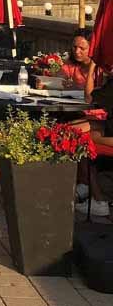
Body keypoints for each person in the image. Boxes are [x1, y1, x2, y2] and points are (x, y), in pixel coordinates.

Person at [62, 29, 112, 216]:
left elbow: (90, 98)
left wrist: (92, 67)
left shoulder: (105, 75)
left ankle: (99, 200)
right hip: (102, 122)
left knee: (74, 136)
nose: (77, 51)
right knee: (68, 130)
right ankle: (84, 184)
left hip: (104, 124)